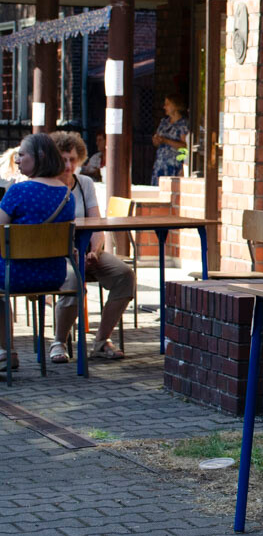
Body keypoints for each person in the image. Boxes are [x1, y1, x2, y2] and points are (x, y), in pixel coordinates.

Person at [48, 131, 132, 363]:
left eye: (72, 160)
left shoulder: (84, 183)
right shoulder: (46, 186)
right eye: (63, 159)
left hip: (86, 251)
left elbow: (96, 224)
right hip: (58, 254)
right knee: (74, 280)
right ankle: (59, 341)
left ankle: (101, 340)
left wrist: (95, 251)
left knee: (124, 275)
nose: (68, 165)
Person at [0, 134, 75, 371]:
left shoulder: (18, 191)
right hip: (53, 275)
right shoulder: (67, 195)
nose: (18, 159)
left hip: (16, 275)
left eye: (22, 154)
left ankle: (5, 352)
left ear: (40, 156)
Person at [151, 92, 189, 183]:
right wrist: (156, 140)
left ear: (176, 106)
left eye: (167, 104)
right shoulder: (164, 122)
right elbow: (156, 142)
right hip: (160, 164)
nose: (164, 107)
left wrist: (165, 140)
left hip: (174, 165)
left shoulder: (183, 124)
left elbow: (185, 146)